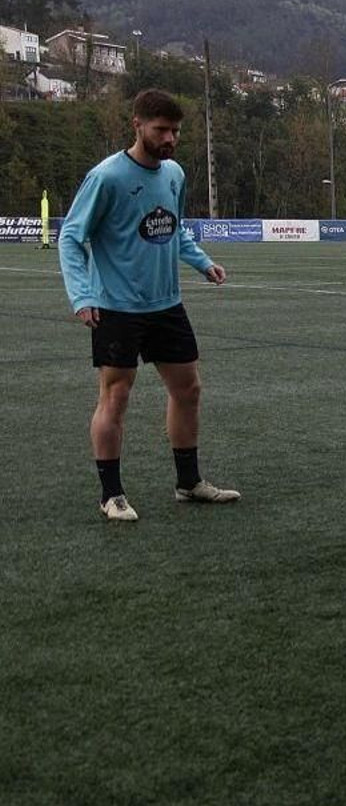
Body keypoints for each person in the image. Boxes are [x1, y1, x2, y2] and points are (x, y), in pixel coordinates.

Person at [57, 88, 240, 521]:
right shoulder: (106, 177)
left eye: (176, 131)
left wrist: (202, 262)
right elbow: (71, 236)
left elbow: (173, 229)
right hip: (116, 306)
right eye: (161, 129)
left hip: (166, 305)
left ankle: (188, 482)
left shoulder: (174, 173)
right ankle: (111, 495)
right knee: (116, 396)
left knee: (188, 390)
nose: (170, 138)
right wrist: (82, 295)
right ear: (137, 124)